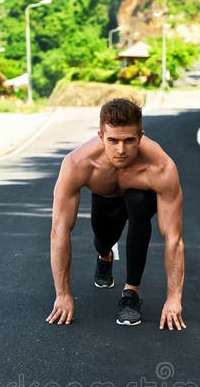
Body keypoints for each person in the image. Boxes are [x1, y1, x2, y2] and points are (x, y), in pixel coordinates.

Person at [46, 97, 186, 330]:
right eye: (113, 140)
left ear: (140, 137)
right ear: (101, 136)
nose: (121, 150)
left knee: (140, 206)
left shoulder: (161, 167)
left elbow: (174, 238)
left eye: (129, 141)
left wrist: (174, 299)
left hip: (139, 192)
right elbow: (59, 229)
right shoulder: (78, 163)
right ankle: (105, 256)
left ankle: (131, 292)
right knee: (104, 239)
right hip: (106, 197)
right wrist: (62, 294)